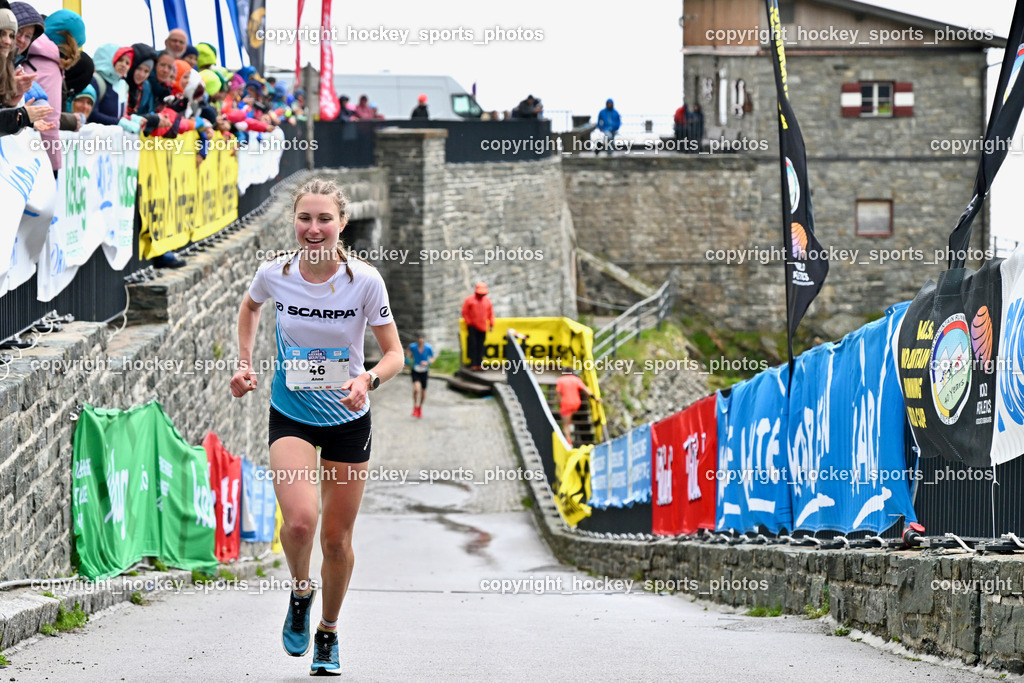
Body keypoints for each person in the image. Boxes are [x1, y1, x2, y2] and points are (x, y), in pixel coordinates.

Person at [231, 177, 403, 677]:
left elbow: (395, 354)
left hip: (348, 420)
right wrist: (243, 363)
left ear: (341, 223)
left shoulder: (363, 281)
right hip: (292, 414)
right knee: (300, 523)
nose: (313, 228)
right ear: (294, 221)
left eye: (324, 218)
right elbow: (250, 306)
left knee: (336, 540)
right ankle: (301, 590)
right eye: (304, 218)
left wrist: (367, 379)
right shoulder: (275, 273)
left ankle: (328, 631)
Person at [555, 369, 599, 444]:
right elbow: (586, 389)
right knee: (570, 420)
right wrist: (595, 398)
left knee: (565, 425)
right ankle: (571, 429)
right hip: (576, 404)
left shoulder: (561, 380)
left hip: (566, 404)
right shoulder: (576, 379)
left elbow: (558, 394)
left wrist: (560, 404)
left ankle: (568, 442)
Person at [461, 281, 494, 371]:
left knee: (481, 346)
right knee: (473, 345)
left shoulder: (487, 301)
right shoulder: (470, 299)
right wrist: (469, 323)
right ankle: (473, 364)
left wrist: (491, 324)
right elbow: (465, 312)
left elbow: (490, 313)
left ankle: (480, 364)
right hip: (472, 327)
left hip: (483, 327)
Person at [405, 333, 435, 418]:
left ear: (424, 339)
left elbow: (433, 358)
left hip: (424, 371)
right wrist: (407, 362)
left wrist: (427, 362)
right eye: (419, 338)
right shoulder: (413, 346)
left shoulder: (428, 347)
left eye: (422, 338)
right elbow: (408, 353)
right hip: (415, 370)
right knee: (416, 389)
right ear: (417, 339)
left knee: (423, 391)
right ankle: (415, 407)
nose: (420, 340)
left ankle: (420, 408)